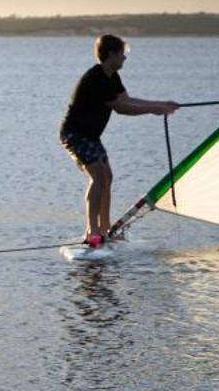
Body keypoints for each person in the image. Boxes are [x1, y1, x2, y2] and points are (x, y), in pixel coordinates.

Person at [59, 34, 176, 248]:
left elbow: (127, 99)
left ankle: (105, 228)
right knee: (98, 178)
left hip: (91, 136)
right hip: (75, 134)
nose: (125, 58)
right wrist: (154, 110)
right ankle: (92, 231)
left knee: (107, 177)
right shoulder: (97, 77)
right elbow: (122, 109)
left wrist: (162, 104)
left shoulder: (113, 77)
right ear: (111, 54)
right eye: (122, 54)